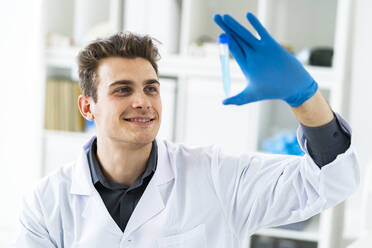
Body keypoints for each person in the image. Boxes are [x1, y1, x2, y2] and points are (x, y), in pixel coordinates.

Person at [15, 12, 359, 247]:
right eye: (123, 89)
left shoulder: (216, 176)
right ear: (87, 106)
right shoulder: (47, 204)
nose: (142, 101)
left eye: (151, 88)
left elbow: (326, 181)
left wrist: (304, 96)